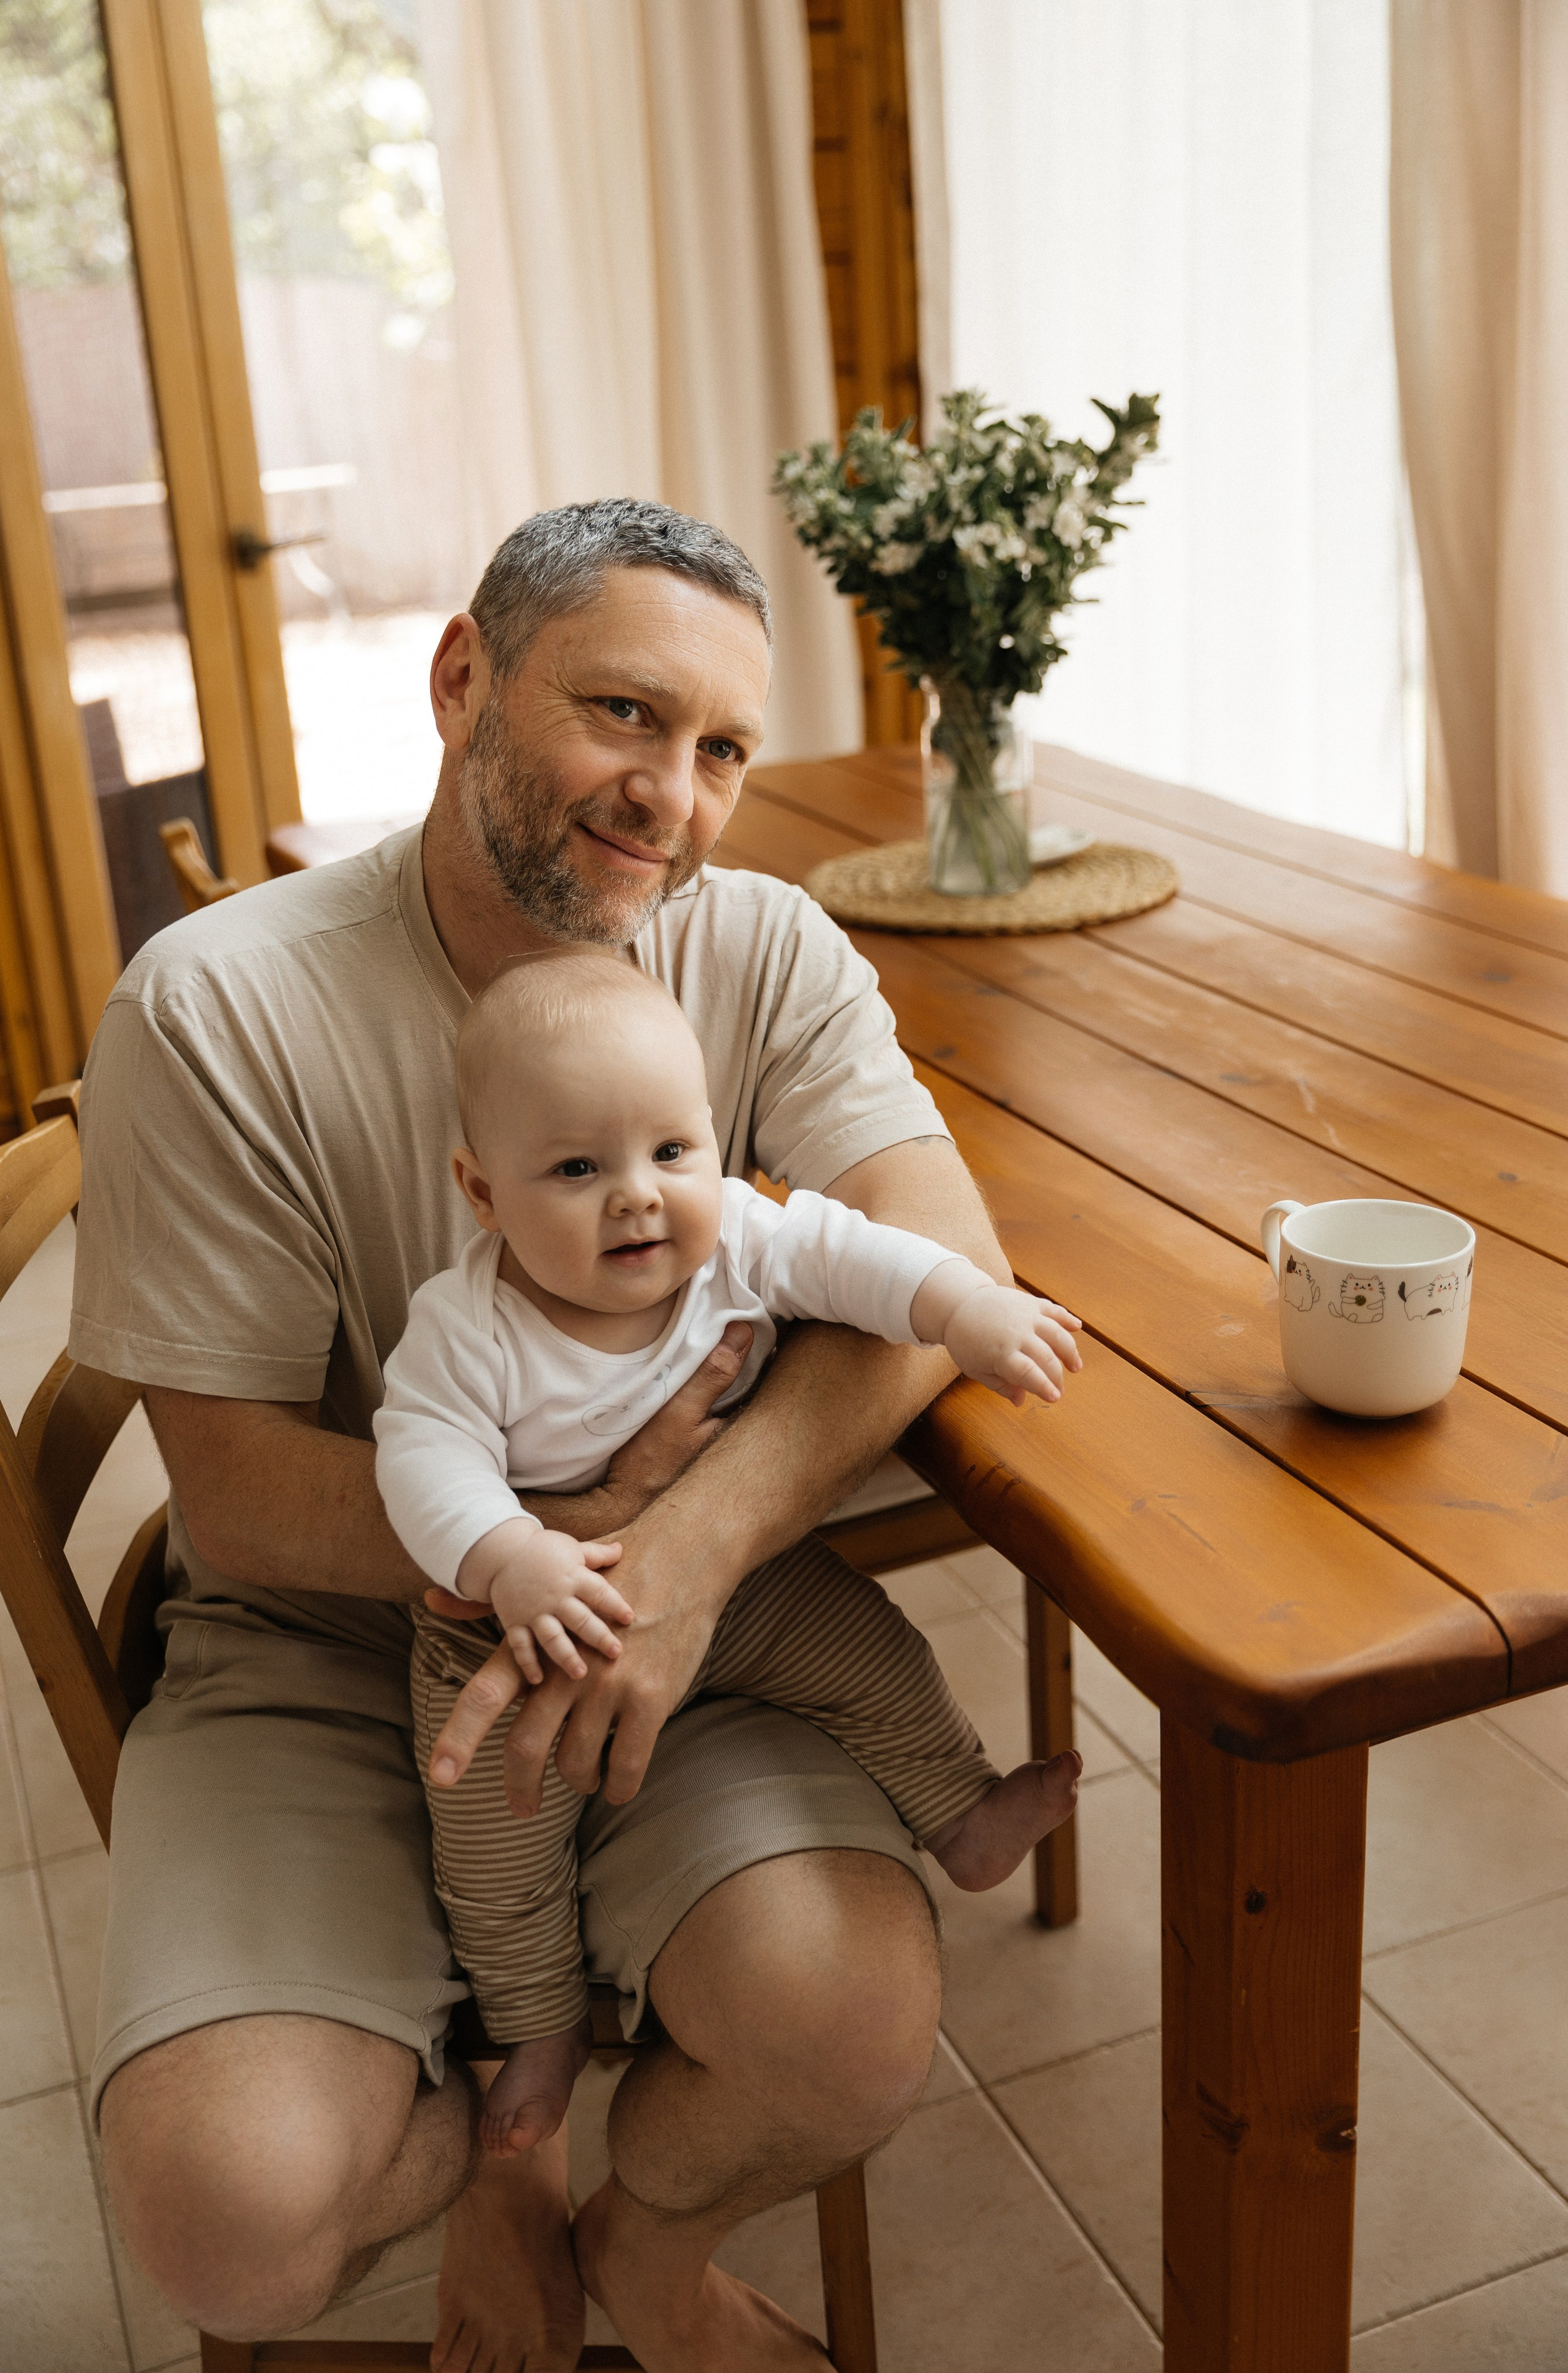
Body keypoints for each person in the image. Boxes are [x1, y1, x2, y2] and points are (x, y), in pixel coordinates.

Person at [72, 498, 1023, 2373]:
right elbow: (248, 1504)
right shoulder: (212, 1005)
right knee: (230, 2224)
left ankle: (645, 2234)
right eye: (623, 715)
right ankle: (501, 2150)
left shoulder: (765, 946)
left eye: (722, 750)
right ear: (462, 681)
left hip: (700, 1634)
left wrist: (684, 1558)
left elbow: (947, 1270)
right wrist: (590, 1544)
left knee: (845, 2029)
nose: (672, 795)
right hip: (330, 1656)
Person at [375, 949, 1084, 2159]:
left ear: (713, 1143)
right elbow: (419, 1458)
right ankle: (536, 2022)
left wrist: (964, 1309)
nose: (636, 1196)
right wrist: (505, 1554)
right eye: (574, 1169)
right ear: (482, 1193)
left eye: (670, 1151)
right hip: (515, 1631)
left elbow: (860, 1255)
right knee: (495, 1844)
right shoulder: (471, 1321)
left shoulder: (739, 1239)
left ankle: (956, 1813)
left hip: (736, 1587)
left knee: (871, 1650)